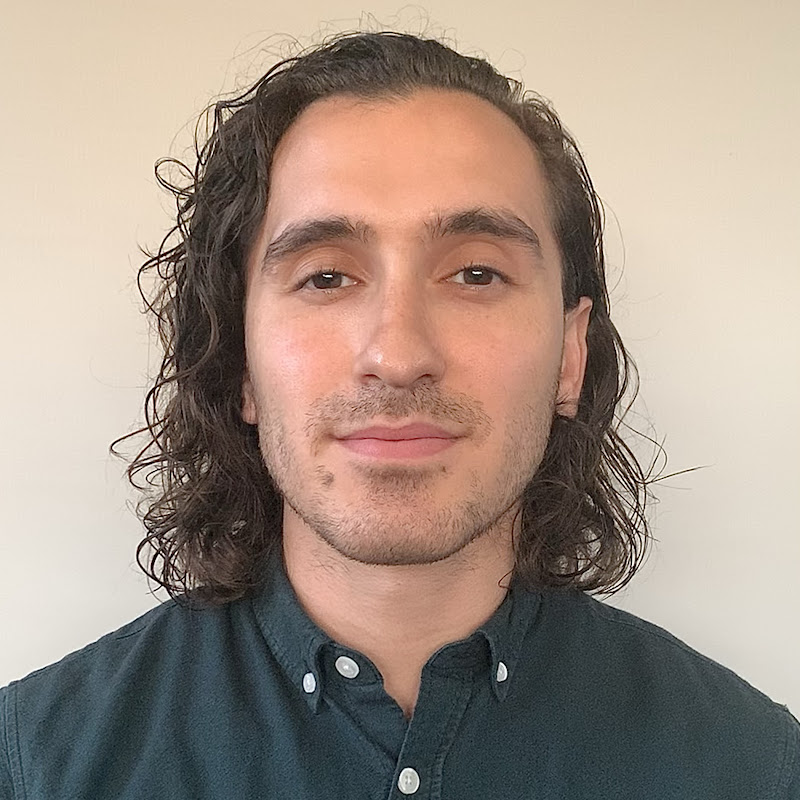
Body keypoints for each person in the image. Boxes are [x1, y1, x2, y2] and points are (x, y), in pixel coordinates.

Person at [1, 30, 797, 799]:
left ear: (569, 356)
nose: (398, 352)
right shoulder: (34, 766)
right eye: (326, 278)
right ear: (241, 363)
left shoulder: (754, 768)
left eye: (476, 274)